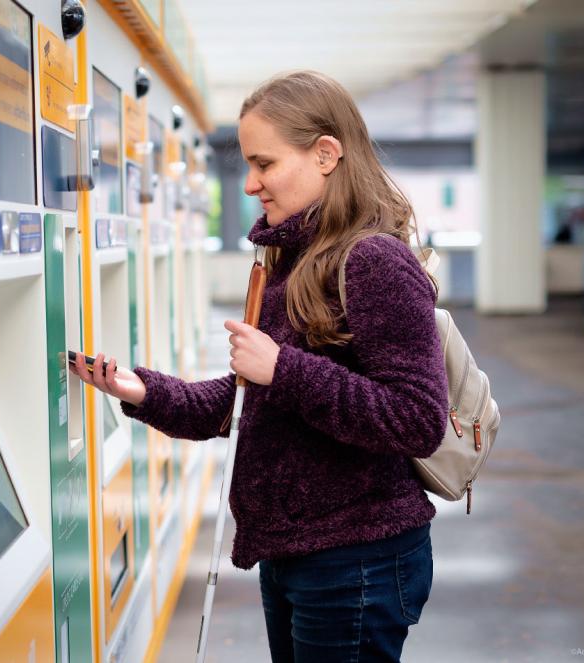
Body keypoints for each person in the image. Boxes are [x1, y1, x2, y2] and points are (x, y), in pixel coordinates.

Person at [70, 70, 448, 663]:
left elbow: (417, 419)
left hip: (358, 558)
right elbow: (252, 398)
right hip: (301, 551)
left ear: (326, 153)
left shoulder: (374, 261)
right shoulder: (291, 258)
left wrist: (286, 368)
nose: (249, 185)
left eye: (263, 164)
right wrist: (143, 389)